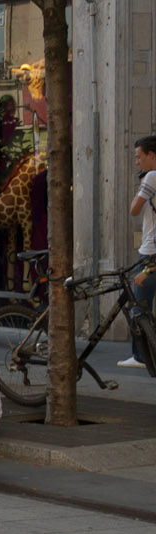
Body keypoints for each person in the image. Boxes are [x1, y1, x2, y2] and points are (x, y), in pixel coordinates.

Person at [124, 136, 156, 368]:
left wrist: (141, 185)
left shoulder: (152, 177)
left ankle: (140, 356)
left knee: (139, 305)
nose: (137, 163)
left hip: (150, 252)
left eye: (139, 157)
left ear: (151, 155)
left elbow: (134, 210)